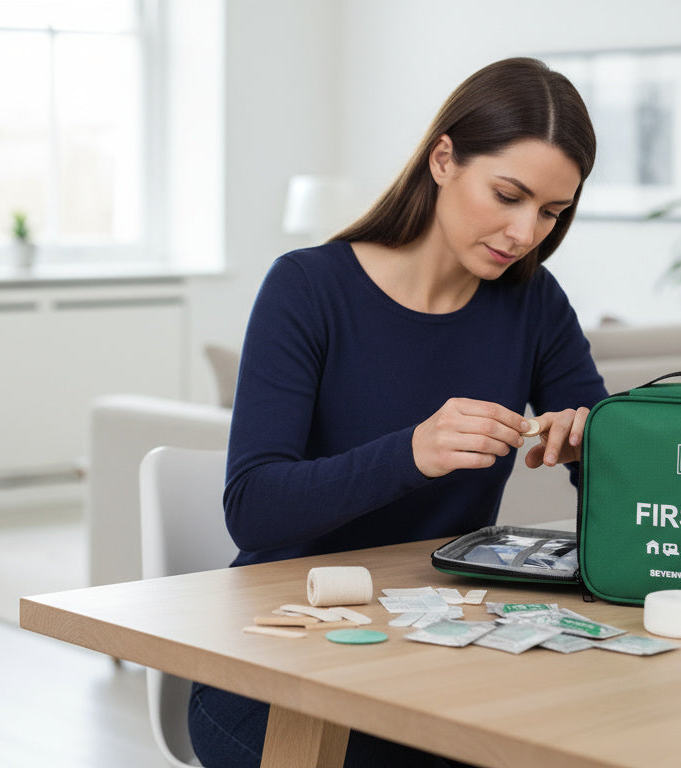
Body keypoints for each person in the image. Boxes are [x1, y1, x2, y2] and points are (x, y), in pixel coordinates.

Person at [188, 57, 609, 768]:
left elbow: (623, 486)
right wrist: (412, 452)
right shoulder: (308, 288)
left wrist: (595, 448)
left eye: (550, 212)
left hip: (440, 652)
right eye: (508, 195)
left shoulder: (534, 303)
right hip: (282, 662)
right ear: (443, 159)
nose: (524, 232)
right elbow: (253, 509)